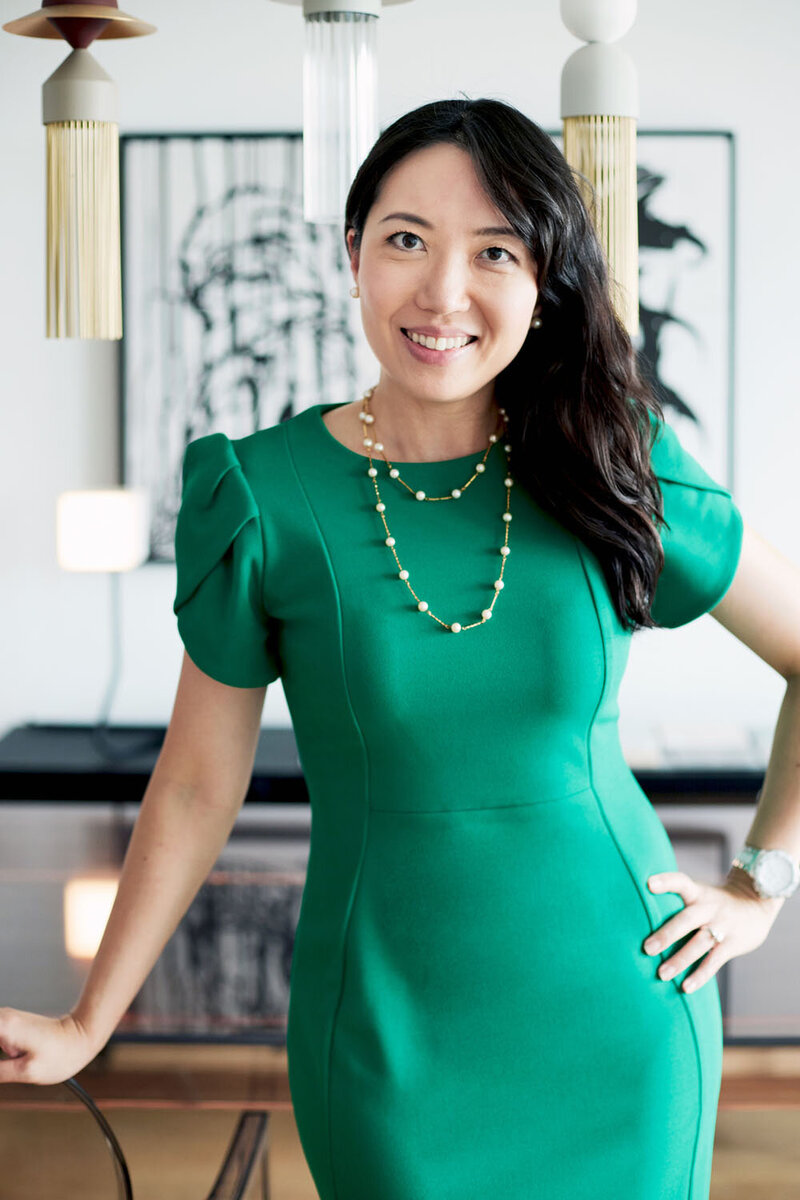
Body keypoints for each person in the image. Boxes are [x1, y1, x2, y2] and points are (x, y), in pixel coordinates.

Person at [2, 96, 800, 1199]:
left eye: (494, 252)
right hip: (383, 1034)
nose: (443, 294)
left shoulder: (613, 462)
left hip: (619, 1014)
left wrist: (759, 886)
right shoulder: (262, 495)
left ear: (542, 279)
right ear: (352, 254)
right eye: (405, 242)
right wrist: (92, 1021)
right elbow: (193, 786)